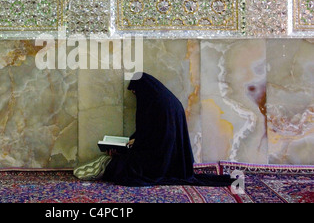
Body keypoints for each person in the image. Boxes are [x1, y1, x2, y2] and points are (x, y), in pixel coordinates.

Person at [74, 73, 233, 187]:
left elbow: (153, 139)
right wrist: (134, 141)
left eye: (135, 92)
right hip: (167, 156)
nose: (135, 95)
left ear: (144, 88)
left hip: (160, 159)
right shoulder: (160, 99)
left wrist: (128, 148)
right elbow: (151, 130)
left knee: (122, 170)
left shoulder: (156, 102)